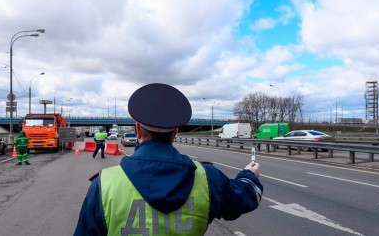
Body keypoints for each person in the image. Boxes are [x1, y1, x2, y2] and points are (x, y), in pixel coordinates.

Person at [75, 83, 263, 235]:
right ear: (175, 133)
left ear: (138, 130)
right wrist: (249, 175)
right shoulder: (207, 178)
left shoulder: (104, 185)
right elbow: (244, 198)